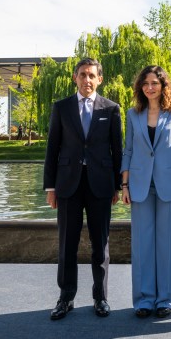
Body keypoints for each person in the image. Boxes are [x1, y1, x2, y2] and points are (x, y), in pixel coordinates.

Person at [43, 58, 122, 320]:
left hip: (100, 185)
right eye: (82, 75)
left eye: (92, 75)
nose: (87, 80)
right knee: (67, 244)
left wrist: (118, 186)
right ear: (75, 78)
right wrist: (51, 187)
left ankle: (101, 297)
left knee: (101, 245)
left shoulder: (111, 109)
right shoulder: (61, 107)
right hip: (67, 185)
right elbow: (52, 149)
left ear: (100, 79)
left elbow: (117, 150)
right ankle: (66, 298)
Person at [121, 65, 171, 319]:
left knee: (168, 244)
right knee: (142, 244)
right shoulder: (133, 114)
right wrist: (125, 185)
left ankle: (165, 300)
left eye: (155, 83)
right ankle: (143, 300)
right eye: (146, 83)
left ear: (163, 86)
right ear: (141, 87)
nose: (150, 87)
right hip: (140, 185)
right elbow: (128, 150)